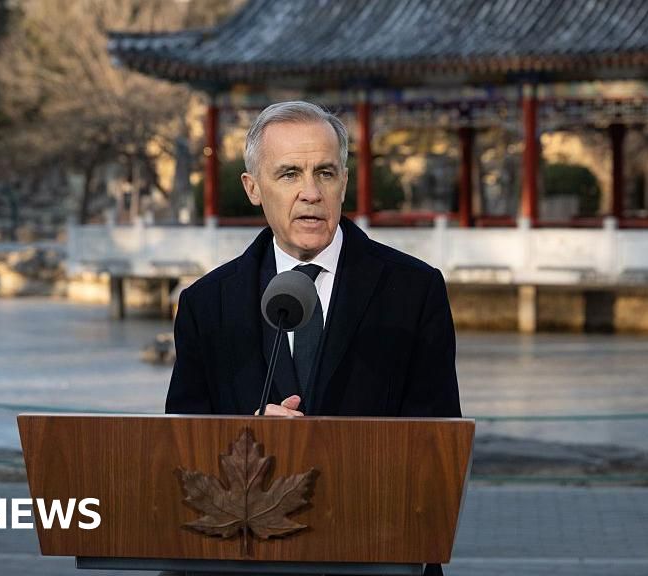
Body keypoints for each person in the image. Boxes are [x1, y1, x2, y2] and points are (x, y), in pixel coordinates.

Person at [166, 101, 460, 575]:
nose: (310, 193)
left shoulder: (414, 290)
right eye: (289, 174)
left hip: (375, 553)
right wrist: (244, 437)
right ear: (253, 188)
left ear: (344, 182)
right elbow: (179, 450)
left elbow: (438, 442)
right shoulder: (207, 304)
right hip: (245, 561)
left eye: (325, 172)